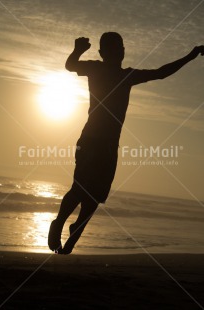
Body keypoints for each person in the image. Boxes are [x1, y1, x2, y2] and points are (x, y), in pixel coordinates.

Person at [48, 32, 203, 254]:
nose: (118, 52)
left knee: (96, 195)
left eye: (120, 48)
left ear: (123, 51)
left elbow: (161, 73)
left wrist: (191, 56)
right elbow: (70, 66)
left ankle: (76, 231)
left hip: (110, 146)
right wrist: (78, 50)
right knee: (80, 187)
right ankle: (59, 222)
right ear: (102, 53)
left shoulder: (127, 76)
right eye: (112, 49)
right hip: (91, 139)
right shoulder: (96, 68)